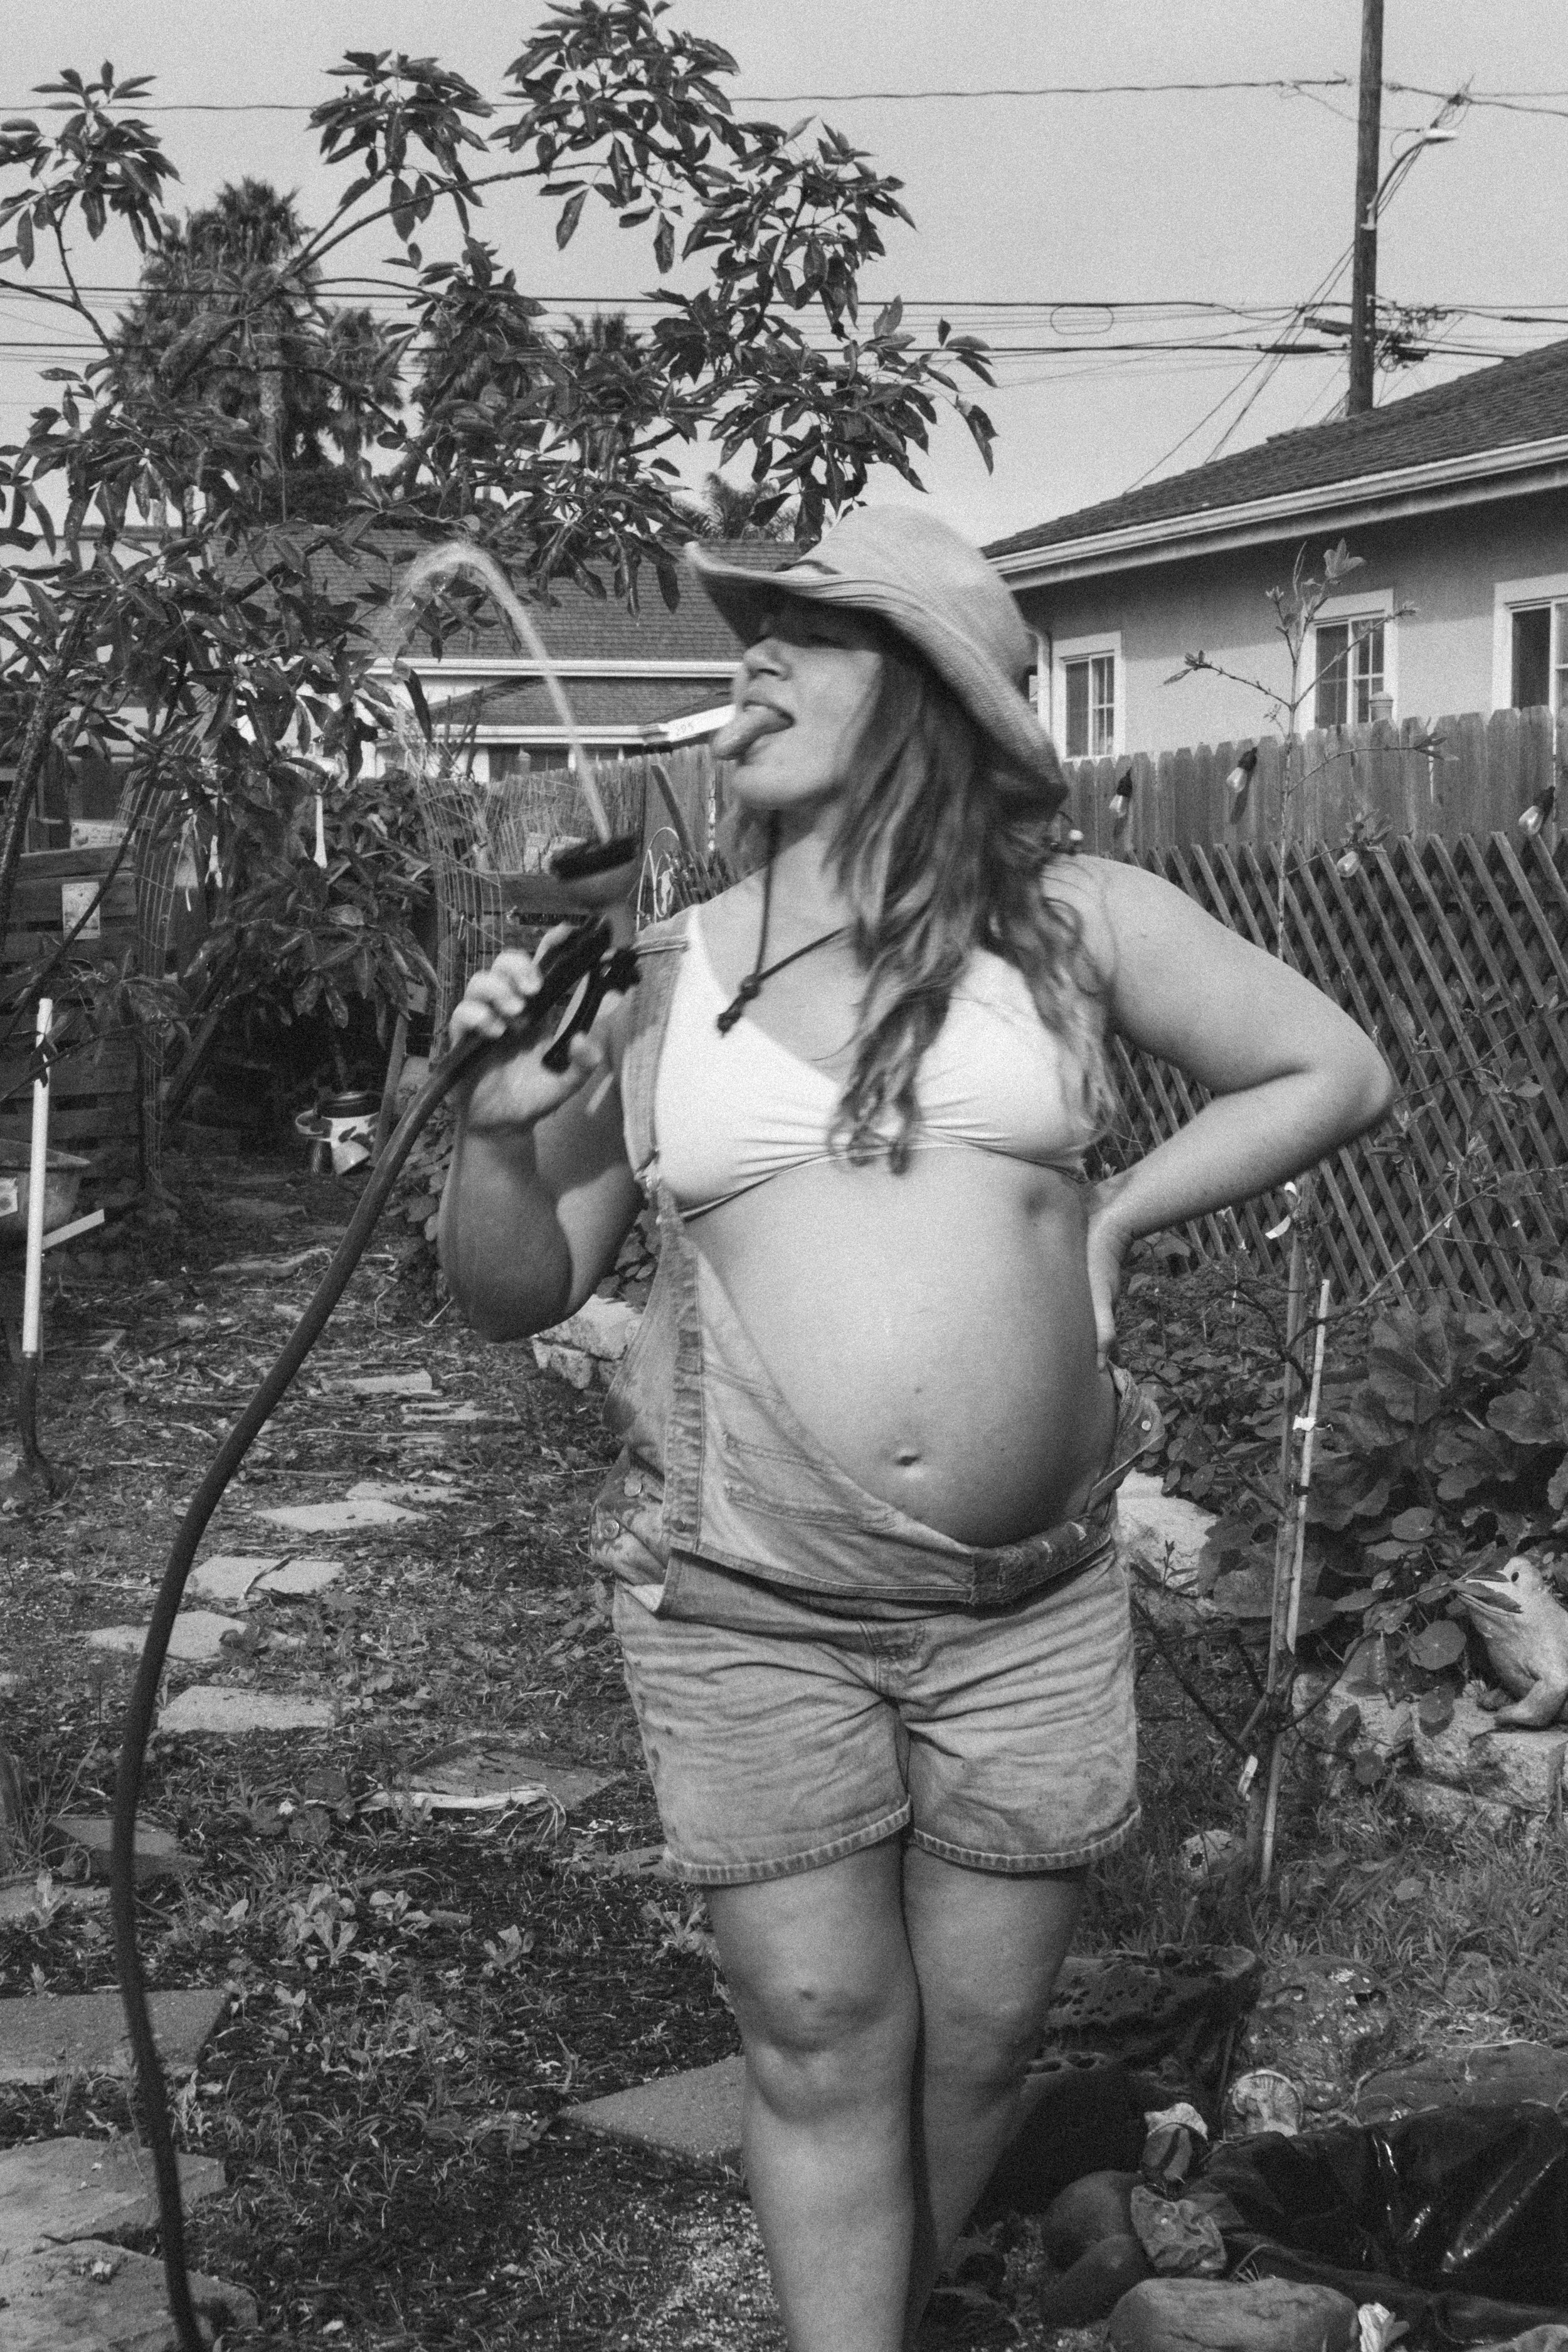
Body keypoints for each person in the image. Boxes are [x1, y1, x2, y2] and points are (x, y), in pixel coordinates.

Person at [439, 506, 1394, 2352]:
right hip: (745, 1596)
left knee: (982, 2042)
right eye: (758, 635)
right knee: (815, 2031)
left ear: (936, 691)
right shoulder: (662, 970)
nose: (757, 662)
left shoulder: (1070, 920)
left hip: (1027, 1602)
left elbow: (1330, 1065)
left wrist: (1111, 1216)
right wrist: (490, 1128)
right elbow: (517, 1286)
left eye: (813, 632)